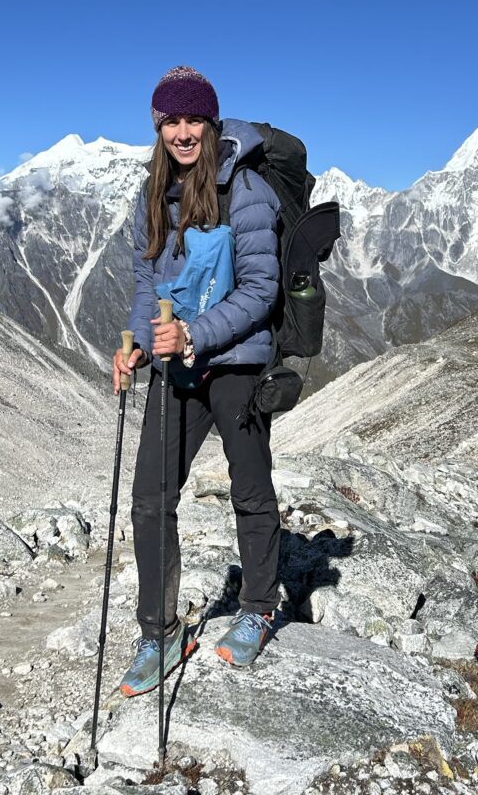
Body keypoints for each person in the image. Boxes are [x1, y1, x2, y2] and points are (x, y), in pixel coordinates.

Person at [111, 65, 281, 697]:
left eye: (193, 120)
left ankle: (259, 607)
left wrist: (193, 335)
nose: (182, 132)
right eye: (170, 121)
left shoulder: (249, 191)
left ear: (211, 123)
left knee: (250, 488)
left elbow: (261, 291)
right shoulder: (152, 196)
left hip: (236, 361)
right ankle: (159, 631)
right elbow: (147, 285)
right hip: (175, 365)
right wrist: (137, 344)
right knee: (150, 498)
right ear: (158, 127)